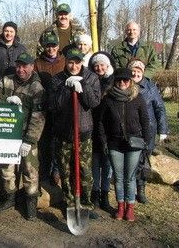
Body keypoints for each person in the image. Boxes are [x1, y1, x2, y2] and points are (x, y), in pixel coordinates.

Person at [0, 52, 46, 221]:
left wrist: (29, 141)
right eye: (18, 66)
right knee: (7, 169)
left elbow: (39, 117)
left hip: (27, 136)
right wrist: (7, 99)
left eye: (24, 66)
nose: (21, 69)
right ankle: (9, 197)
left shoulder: (37, 88)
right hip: (7, 134)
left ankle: (30, 203)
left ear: (31, 67)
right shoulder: (6, 80)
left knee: (30, 170)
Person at [48, 48, 101, 219]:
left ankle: (85, 204)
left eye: (77, 62)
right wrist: (66, 88)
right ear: (66, 62)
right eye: (70, 62)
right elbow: (53, 105)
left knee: (85, 171)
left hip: (83, 133)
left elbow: (93, 102)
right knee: (65, 171)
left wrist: (82, 86)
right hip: (63, 133)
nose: (73, 66)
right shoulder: (57, 79)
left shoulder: (91, 78)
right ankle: (70, 203)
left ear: (81, 63)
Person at [98, 68, 150, 222]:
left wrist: (146, 141)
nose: (122, 83)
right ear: (114, 81)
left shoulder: (137, 98)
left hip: (134, 144)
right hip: (114, 143)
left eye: (125, 80)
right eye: (119, 80)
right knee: (119, 177)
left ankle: (130, 208)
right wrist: (104, 141)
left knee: (130, 177)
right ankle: (120, 206)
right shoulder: (108, 99)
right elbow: (101, 122)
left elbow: (145, 121)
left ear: (130, 81)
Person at [128, 59, 168, 204]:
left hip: (148, 131)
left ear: (143, 72)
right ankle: (129, 189)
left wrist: (163, 130)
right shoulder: (124, 85)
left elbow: (160, 108)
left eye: (139, 71)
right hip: (130, 130)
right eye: (133, 70)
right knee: (131, 160)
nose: (136, 73)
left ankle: (141, 189)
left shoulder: (150, 87)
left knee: (143, 161)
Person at [33, 31, 65, 183]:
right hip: (44, 107)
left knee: (59, 141)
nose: (51, 49)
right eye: (48, 46)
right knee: (45, 141)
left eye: (53, 46)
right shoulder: (38, 63)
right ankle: (44, 172)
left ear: (58, 46)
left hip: (61, 108)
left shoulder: (64, 60)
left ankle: (57, 171)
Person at [88, 51, 116, 211]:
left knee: (107, 164)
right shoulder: (90, 81)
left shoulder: (113, 82)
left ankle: (105, 194)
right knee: (95, 162)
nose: (99, 68)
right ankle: (95, 192)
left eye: (102, 65)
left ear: (108, 66)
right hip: (93, 127)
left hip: (109, 129)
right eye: (96, 65)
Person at [0, 21, 27, 91]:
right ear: (3, 32)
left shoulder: (21, 49)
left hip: (16, 85)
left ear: (15, 33)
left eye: (11, 31)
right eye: (6, 31)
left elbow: (24, 66)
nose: (9, 34)